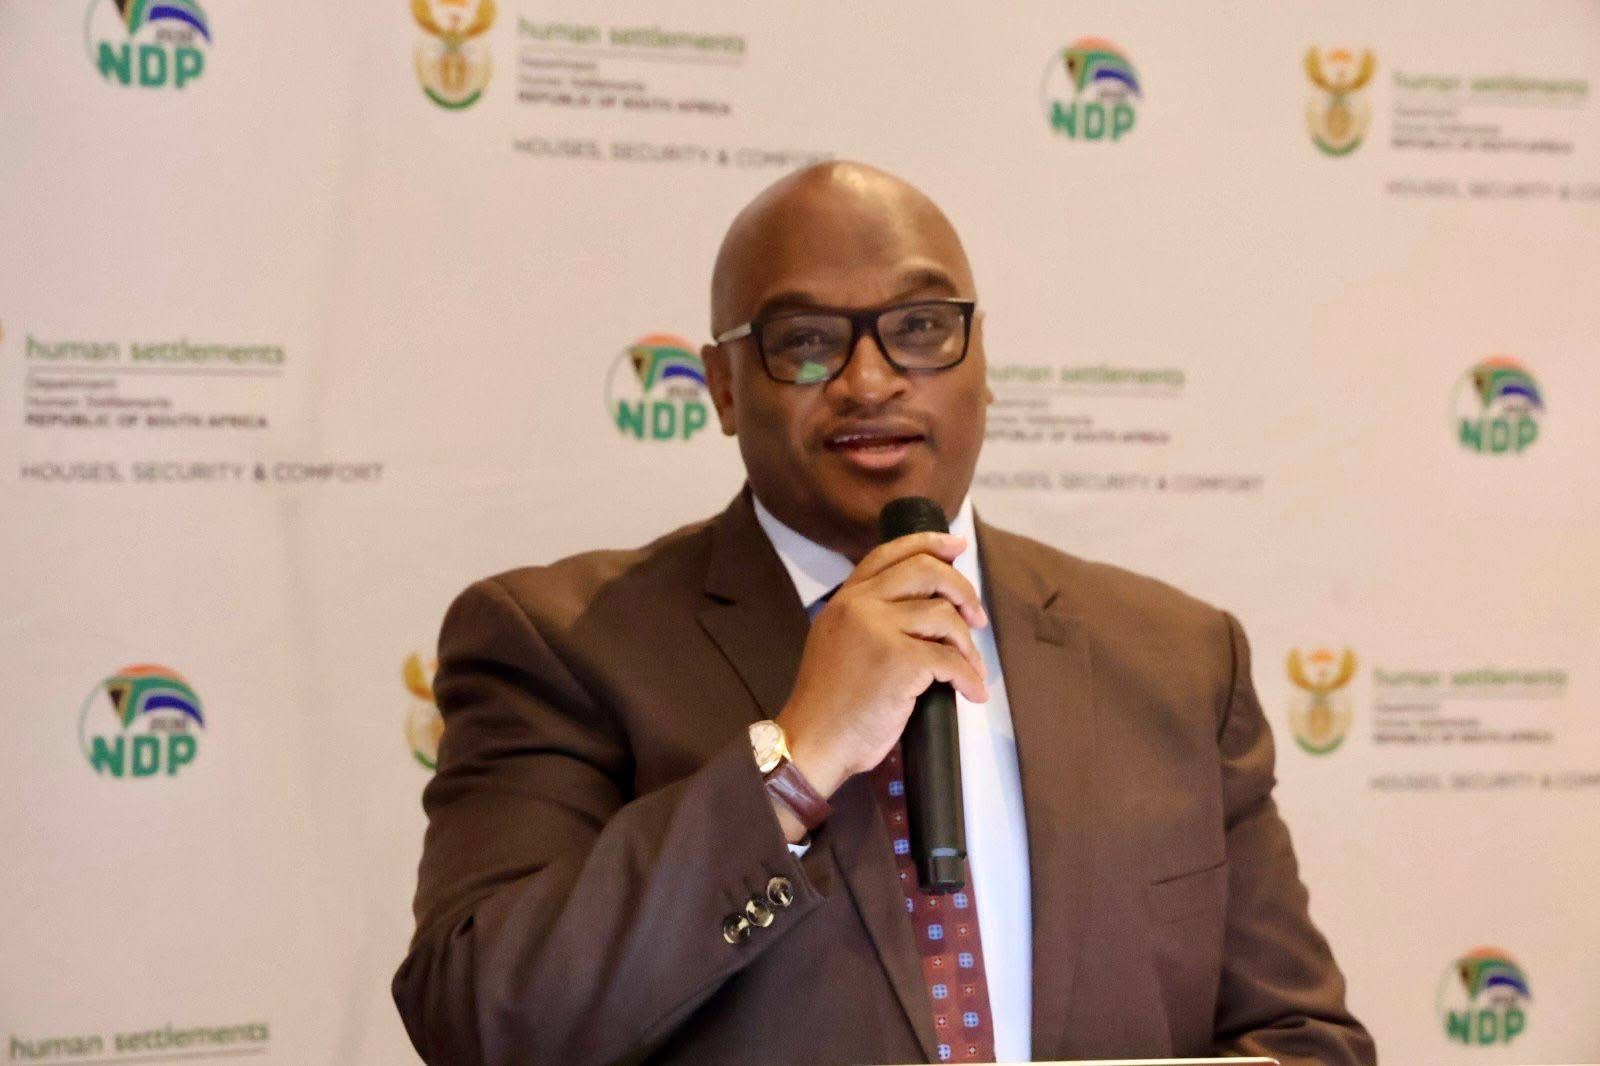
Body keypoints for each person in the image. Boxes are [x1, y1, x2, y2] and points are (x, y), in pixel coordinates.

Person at [393, 161, 1375, 1066]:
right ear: (723, 387)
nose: (869, 380)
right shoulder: (560, 642)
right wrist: (794, 762)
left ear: (981, 360)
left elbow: (1304, 1039)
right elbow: (484, 1023)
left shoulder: (1177, 660)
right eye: (806, 342)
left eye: (920, 327)